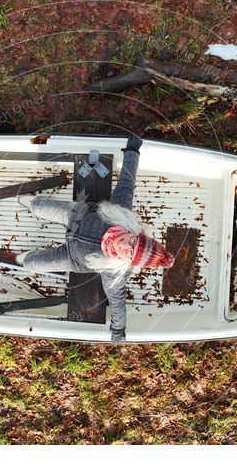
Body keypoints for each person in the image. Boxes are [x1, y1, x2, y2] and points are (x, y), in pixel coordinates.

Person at [16, 136, 175, 344]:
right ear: (135, 233)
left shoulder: (114, 271)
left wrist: (118, 329)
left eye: (130, 253)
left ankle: (28, 257)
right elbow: (127, 182)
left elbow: (117, 301)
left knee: (31, 264)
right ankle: (33, 205)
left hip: (72, 257)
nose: (127, 246)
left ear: (127, 261)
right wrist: (132, 151)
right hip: (77, 216)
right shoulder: (121, 214)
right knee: (39, 206)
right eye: (134, 242)